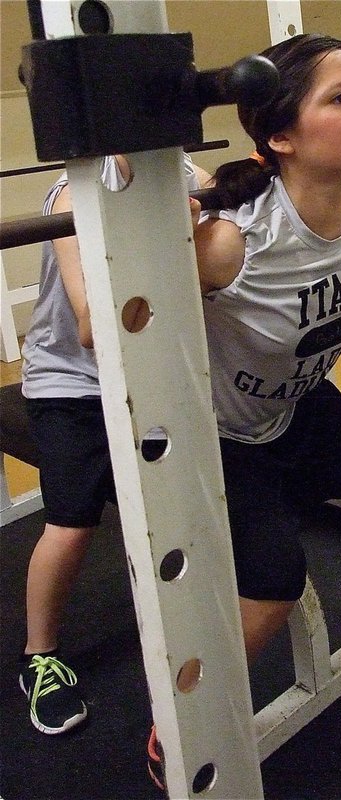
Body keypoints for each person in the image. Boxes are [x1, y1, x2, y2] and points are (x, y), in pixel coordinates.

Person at [148, 31, 341, 790]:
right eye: (340, 98)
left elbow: (331, 274)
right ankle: (178, 721)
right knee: (271, 588)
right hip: (224, 434)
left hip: (301, 403)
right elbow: (144, 333)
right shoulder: (228, 245)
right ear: (281, 137)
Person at [18, 154, 212, 735]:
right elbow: (89, 327)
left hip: (149, 371)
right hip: (70, 383)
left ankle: (191, 620)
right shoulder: (73, 197)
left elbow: (241, 222)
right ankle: (39, 656)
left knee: (186, 498)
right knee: (73, 523)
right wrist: (176, 236)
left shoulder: (183, 174)